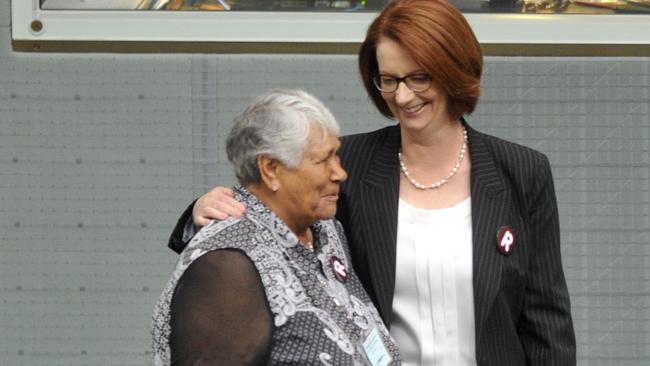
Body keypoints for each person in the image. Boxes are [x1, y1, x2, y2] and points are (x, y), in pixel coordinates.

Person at [167, 0, 576, 365]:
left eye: (419, 78)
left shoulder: (522, 171)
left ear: (453, 70)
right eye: (389, 79)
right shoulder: (348, 163)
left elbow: (545, 322)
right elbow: (269, 214)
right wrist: (203, 212)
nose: (402, 97)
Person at [152, 89, 401, 365]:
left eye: (337, 156)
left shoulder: (325, 228)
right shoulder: (227, 264)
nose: (340, 173)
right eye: (322, 160)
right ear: (270, 168)